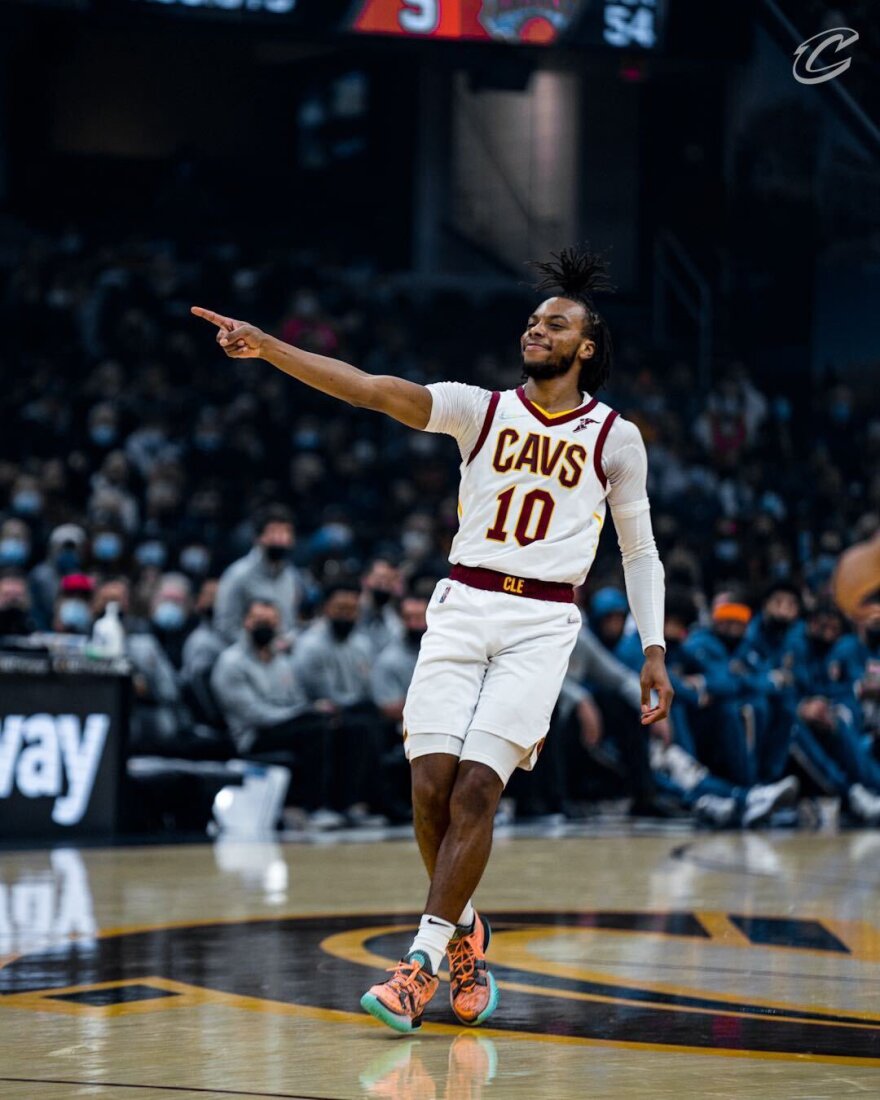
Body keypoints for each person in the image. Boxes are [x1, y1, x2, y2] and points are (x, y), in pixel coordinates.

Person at [192, 245, 673, 1034]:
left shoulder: (616, 438)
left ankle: (418, 966)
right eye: (532, 319)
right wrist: (269, 347)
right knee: (430, 789)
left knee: (479, 791)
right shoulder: (481, 409)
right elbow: (369, 390)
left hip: (543, 620)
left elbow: (641, 551)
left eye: (554, 323)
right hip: (460, 604)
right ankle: (466, 935)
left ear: (586, 348)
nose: (536, 328)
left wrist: (653, 648)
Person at [210, 598, 340, 817]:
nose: (265, 627)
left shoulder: (282, 661)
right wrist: (301, 714)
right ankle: (312, 808)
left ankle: (342, 804)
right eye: (259, 620)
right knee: (314, 730)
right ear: (246, 622)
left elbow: (297, 699)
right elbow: (254, 714)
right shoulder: (231, 663)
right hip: (252, 736)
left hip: (284, 725)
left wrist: (310, 710)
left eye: (271, 622)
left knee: (333, 723)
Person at [214, 504, 304, 644]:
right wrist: (261, 648)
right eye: (273, 532)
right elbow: (225, 627)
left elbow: (290, 623)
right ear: (258, 537)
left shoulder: (291, 576)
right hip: (245, 658)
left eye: (285, 533)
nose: (280, 539)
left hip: (281, 661)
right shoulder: (237, 575)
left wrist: (289, 640)